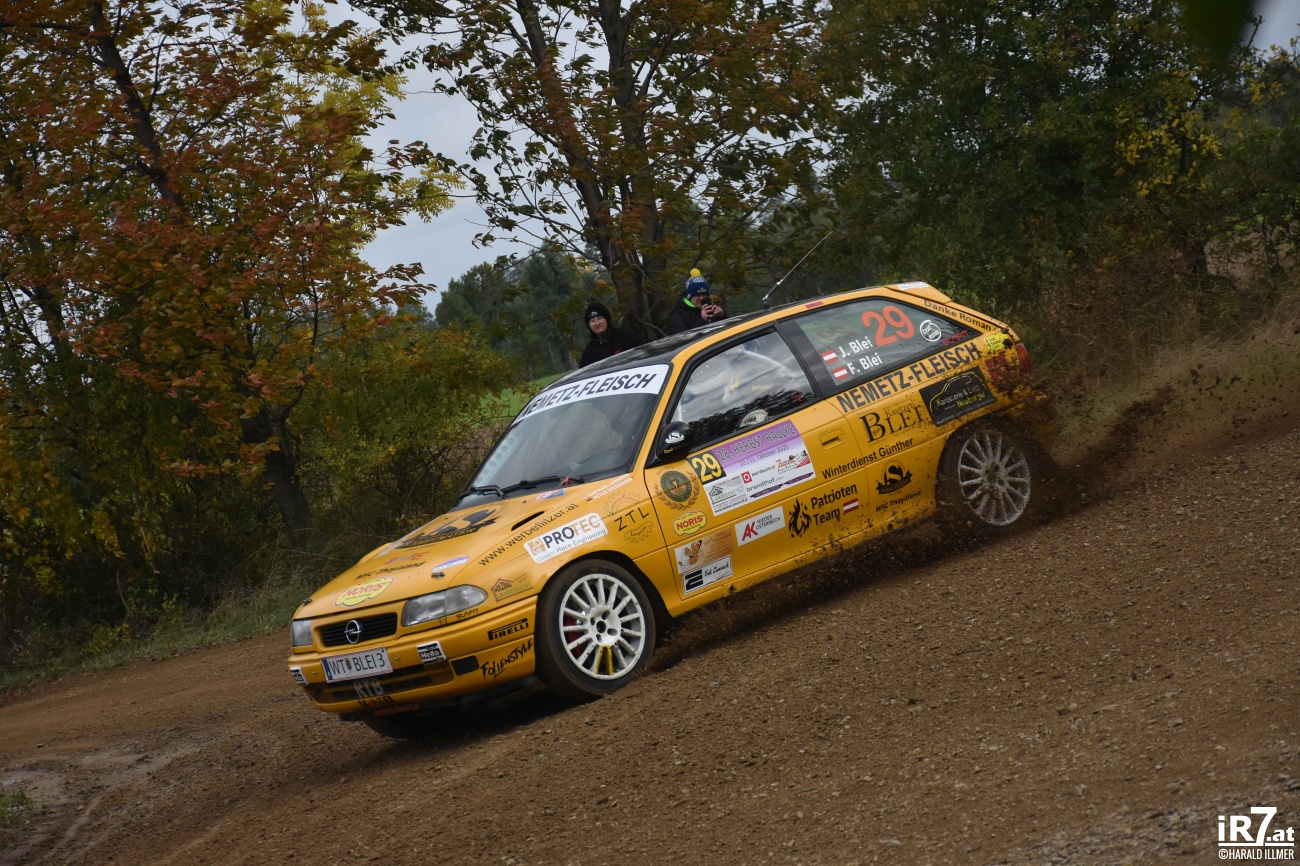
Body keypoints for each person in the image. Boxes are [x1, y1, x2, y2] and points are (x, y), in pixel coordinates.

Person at [579, 300, 643, 367]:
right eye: (592, 321)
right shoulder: (589, 351)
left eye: (599, 318)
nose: (597, 323)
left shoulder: (626, 337)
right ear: (588, 325)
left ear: (607, 319)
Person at [667, 269, 725, 335]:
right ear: (689, 296)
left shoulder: (711, 308)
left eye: (704, 294)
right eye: (697, 295)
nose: (701, 298)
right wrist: (702, 320)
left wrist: (722, 316)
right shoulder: (679, 314)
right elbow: (681, 338)